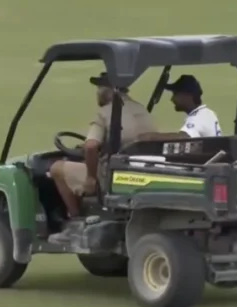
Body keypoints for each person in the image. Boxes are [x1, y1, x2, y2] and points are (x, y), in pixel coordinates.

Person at [48, 72, 157, 244]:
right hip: (139, 170)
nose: (97, 93)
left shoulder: (106, 112)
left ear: (105, 91)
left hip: (113, 174)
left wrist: (91, 178)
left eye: (98, 89)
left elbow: (91, 146)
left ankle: (75, 224)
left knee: (57, 168)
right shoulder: (141, 109)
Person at [140, 75, 222, 140]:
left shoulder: (199, 117)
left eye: (175, 94)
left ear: (187, 95)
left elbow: (183, 137)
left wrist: (150, 137)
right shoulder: (208, 113)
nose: (172, 99)